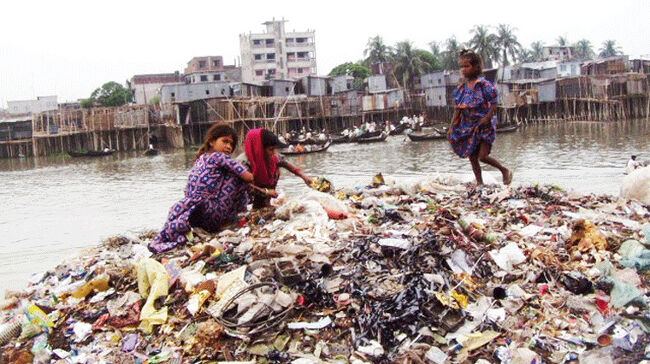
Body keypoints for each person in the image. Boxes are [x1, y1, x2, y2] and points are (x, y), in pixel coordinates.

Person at [149, 123, 254, 253]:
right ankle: (234, 217)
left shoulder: (200, 158)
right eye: (225, 141)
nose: (228, 146)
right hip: (212, 213)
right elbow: (249, 178)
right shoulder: (220, 156)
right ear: (211, 142)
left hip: (193, 211)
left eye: (231, 144)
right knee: (239, 173)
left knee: (233, 172)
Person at [447, 49, 512, 186]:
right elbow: (458, 110)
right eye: (462, 67)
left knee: (482, 156)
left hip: (484, 125)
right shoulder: (461, 89)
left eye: (467, 66)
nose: (463, 70)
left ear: (476, 67)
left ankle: (504, 170)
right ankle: (480, 183)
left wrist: (487, 118)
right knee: (472, 157)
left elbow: (494, 103)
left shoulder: (484, 85)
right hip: (468, 126)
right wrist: (451, 127)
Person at [244, 128, 313, 208]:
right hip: (246, 205)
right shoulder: (245, 163)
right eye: (270, 149)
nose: (273, 152)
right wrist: (266, 191)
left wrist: (303, 176)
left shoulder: (273, 158)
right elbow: (244, 185)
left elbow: (287, 164)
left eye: (274, 149)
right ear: (259, 148)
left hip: (266, 204)